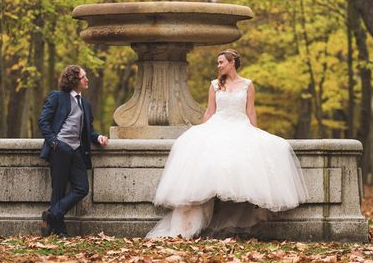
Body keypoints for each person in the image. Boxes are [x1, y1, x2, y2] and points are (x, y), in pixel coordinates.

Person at [147, 49, 309, 239]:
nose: (218, 66)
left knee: (276, 147)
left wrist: (255, 132)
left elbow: (251, 112)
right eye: (218, 63)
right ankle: (191, 223)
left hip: (240, 125)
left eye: (221, 62)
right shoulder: (215, 85)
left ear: (232, 63)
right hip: (218, 124)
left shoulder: (247, 85)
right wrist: (200, 133)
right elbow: (209, 111)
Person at [38, 65, 108, 237]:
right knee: (59, 190)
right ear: (74, 80)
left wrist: (98, 137)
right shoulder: (57, 97)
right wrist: (54, 142)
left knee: (82, 188)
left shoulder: (85, 104)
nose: (87, 79)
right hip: (60, 149)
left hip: (77, 150)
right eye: (84, 77)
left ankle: (52, 215)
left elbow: (88, 130)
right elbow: (43, 121)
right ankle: (60, 231)